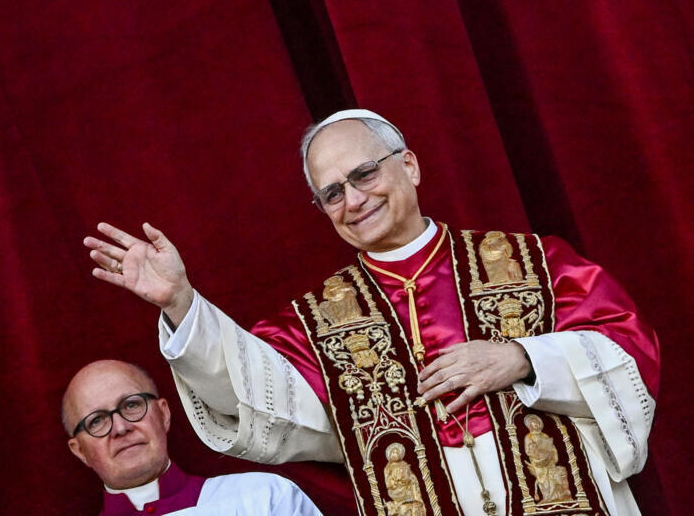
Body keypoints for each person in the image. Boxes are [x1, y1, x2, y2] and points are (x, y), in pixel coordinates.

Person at [82, 109, 659, 516]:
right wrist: (181, 303)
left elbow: (631, 354)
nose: (353, 200)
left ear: (408, 165)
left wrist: (522, 358)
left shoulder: (535, 261)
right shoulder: (312, 325)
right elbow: (251, 395)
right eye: (332, 192)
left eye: (364, 174)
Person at [63, 359, 323, 515]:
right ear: (79, 450)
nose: (120, 427)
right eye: (96, 421)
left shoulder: (264, 497)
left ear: (163, 414)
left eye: (131, 405)